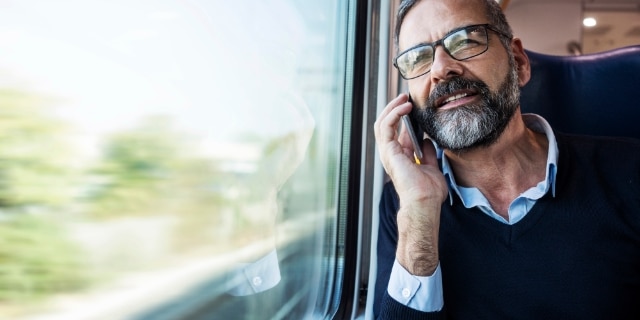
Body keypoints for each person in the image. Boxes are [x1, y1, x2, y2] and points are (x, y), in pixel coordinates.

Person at [372, 0, 640, 319]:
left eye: (466, 40)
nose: (441, 69)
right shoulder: (405, 203)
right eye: (417, 58)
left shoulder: (631, 168)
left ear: (518, 62)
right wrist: (420, 211)